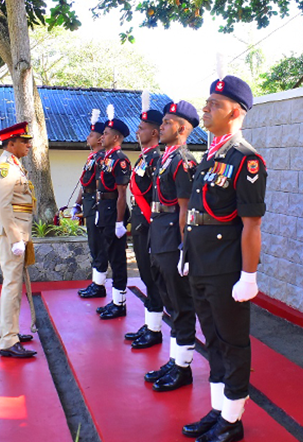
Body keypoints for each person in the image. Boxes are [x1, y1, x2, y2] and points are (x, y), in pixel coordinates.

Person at [180, 75, 267, 442]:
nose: (205, 109)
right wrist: (186, 253)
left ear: (235, 111)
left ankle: (233, 421)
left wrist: (249, 275)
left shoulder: (245, 159)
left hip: (226, 268)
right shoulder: (211, 157)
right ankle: (219, 410)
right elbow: (195, 213)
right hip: (202, 263)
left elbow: (251, 224)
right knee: (212, 340)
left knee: (232, 343)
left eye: (214, 104)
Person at [144, 101, 200, 392]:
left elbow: (185, 209)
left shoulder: (183, 160)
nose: (161, 126)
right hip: (159, 233)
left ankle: (183, 368)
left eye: (167, 122)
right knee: (169, 300)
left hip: (172, 238)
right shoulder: (166, 158)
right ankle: (175, 359)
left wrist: (184, 248)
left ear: (181, 128)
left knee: (180, 304)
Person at [0, 121, 38, 359]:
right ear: (11, 144)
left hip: (18, 231)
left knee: (13, 283)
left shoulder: (15, 165)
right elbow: (3, 205)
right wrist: (16, 238)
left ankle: (8, 331)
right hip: (13, 232)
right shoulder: (5, 167)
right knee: (12, 284)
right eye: (24, 141)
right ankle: (9, 341)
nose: (28, 145)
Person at [124, 95, 167, 348]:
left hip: (149, 224)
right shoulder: (143, 158)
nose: (137, 132)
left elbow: (156, 196)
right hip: (140, 223)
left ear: (153, 132)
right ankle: (150, 323)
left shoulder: (156, 159)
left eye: (141, 128)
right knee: (145, 275)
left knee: (152, 278)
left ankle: (155, 329)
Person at [95, 105, 132, 320]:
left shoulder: (120, 159)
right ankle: (115, 299)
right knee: (108, 254)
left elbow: (121, 193)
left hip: (113, 211)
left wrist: (119, 221)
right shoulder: (106, 158)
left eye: (106, 133)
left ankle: (120, 303)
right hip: (104, 209)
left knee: (117, 259)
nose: (102, 137)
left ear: (116, 137)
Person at [77, 109, 110, 299]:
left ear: (99, 139)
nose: (87, 138)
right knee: (93, 244)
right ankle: (96, 282)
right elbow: (84, 183)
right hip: (88, 202)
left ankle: (99, 285)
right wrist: (77, 204)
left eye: (91, 135)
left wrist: (97, 207)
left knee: (98, 245)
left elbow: (99, 185)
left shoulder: (102, 158)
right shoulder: (92, 158)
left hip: (96, 204)